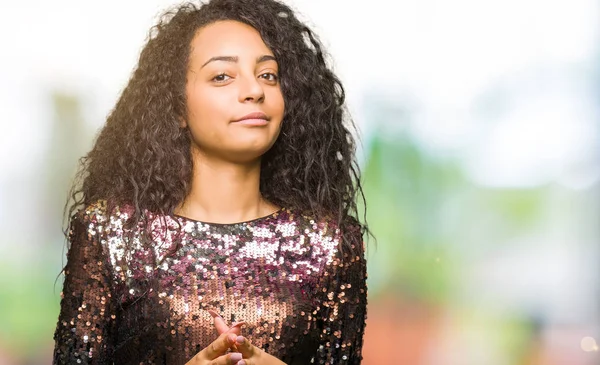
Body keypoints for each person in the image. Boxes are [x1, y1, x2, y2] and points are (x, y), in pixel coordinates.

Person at [52, 0, 371, 364]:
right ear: (176, 108)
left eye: (268, 75)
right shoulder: (110, 235)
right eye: (222, 76)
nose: (254, 90)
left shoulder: (330, 245)